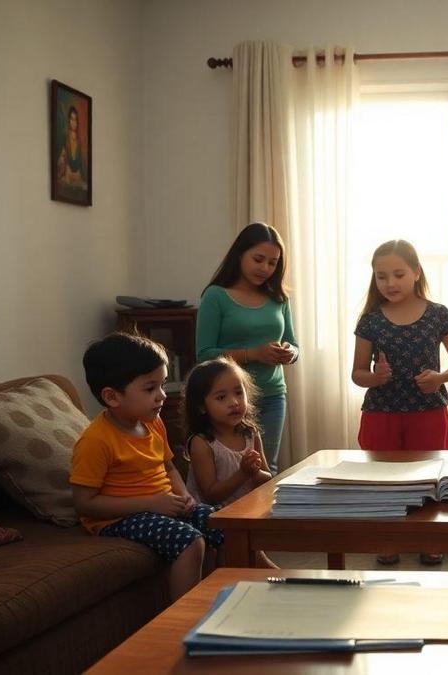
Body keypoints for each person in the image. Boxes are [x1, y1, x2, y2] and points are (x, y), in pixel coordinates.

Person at [70, 333, 223, 602]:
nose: (162, 395)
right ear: (112, 397)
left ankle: (242, 592)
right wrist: (151, 503)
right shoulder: (95, 441)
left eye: (162, 385)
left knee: (224, 521)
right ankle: (184, 619)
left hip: (161, 505)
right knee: (190, 541)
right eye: (150, 388)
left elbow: (169, 468)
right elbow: (85, 504)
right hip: (118, 518)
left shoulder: (152, 422)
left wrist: (183, 495)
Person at [351, 239, 448, 565]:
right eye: (381, 276)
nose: (390, 283)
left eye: (398, 274)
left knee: (431, 478)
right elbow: (358, 373)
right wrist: (376, 378)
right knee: (383, 480)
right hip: (381, 413)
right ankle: (388, 540)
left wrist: (441, 378)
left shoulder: (438, 315)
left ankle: (429, 540)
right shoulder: (370, 320)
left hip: (428, 411)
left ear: (416, 272)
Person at [196, 222, 298, 474]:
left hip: (273, 395)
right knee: (232, 470)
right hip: (226, 399)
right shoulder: (216, 296)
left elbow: (294, 345)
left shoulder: (279, 298)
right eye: (258, 259)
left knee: (267, 468)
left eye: (272, 263)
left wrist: (290, 352)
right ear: (240, 254)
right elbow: (204, 354)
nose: (265, 268)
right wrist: (253, 353)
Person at [183, 358, 272, 507]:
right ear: (201, 407)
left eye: (238, 393)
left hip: (248, 511)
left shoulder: (251, 433)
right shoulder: (202, 443)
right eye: (221, 397)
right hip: (214, 518)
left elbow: (268, 478)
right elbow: (210, 496)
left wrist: (256, 473)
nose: (234, 402)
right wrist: (243, 473)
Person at [55, 106, 87, 189]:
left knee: (84, 186)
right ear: (69, 120)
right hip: (67, 171)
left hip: (77, 173)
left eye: (75, 119)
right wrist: (62, 159)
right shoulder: (65, 136)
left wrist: (79, 172)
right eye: (72, 119)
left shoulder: (79, 140)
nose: (74, 122)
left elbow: (80, 160)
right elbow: (62, 155)